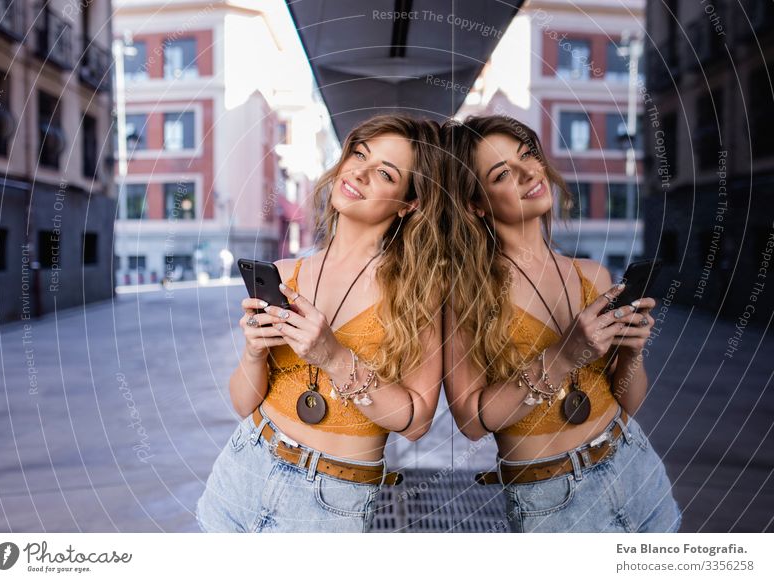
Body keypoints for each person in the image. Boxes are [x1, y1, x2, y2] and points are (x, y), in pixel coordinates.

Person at [196, 115, 445, 532]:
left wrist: (332, 356)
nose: (359, 173)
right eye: (359, 154)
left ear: (409, 202)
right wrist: (255, 351)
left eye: (384, 172)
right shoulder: (284, 273)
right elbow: (243, 404)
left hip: (330, 501)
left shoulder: (416, 292)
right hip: (244, 470)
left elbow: (417, 421)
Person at [442, 115, 681, 533]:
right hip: (552, 499)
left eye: (528, 155)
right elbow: (471, 420)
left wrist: (631, 351)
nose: (529, 173)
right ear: (474, 203)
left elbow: (630, 402)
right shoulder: (467, 294)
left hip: (635, 467)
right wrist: (564, 356)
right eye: (502, 174)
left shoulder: (594, 276)